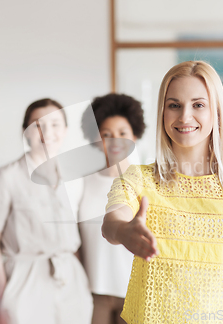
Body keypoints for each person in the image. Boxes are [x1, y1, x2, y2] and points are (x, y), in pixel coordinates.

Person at [102, 61, 223, 324]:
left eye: (198, 105)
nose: (185, 116)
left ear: (217, 113)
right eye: (174, 105)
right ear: (162, 112)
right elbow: (111, 222)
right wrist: (123, 231)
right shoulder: (139, 179)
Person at [0, 98, 92, 324]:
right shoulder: (7, 176)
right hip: (25, 279)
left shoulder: (75, 177)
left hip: (69, 279)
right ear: (25, 132)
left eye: (55, 124)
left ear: (65, 130)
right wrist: (5, 291)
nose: (47, 132)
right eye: (37, 124)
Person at [79, 94, 146, 324]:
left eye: (122, 133)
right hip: (93, 292)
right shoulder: (83, 183)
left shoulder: (146, 182)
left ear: (135, 135)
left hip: (136, 291)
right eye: (106, 134)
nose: (115, 141)